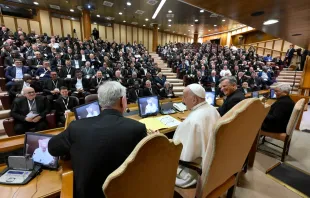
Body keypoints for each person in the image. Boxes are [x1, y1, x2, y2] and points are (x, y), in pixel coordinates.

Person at [48, 81, 147, 198]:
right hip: (122, 192)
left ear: (100, 102)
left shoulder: (76, 126)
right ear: (122, 101)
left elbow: (53, 148)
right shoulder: (137, 128)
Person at [173, 83, 220, 187]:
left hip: (193, 171)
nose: (183, 101)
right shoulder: (212, 110)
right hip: (212, 163)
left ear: (194, 99)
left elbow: (179, 152)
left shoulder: (193, 122)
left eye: (184, 97)